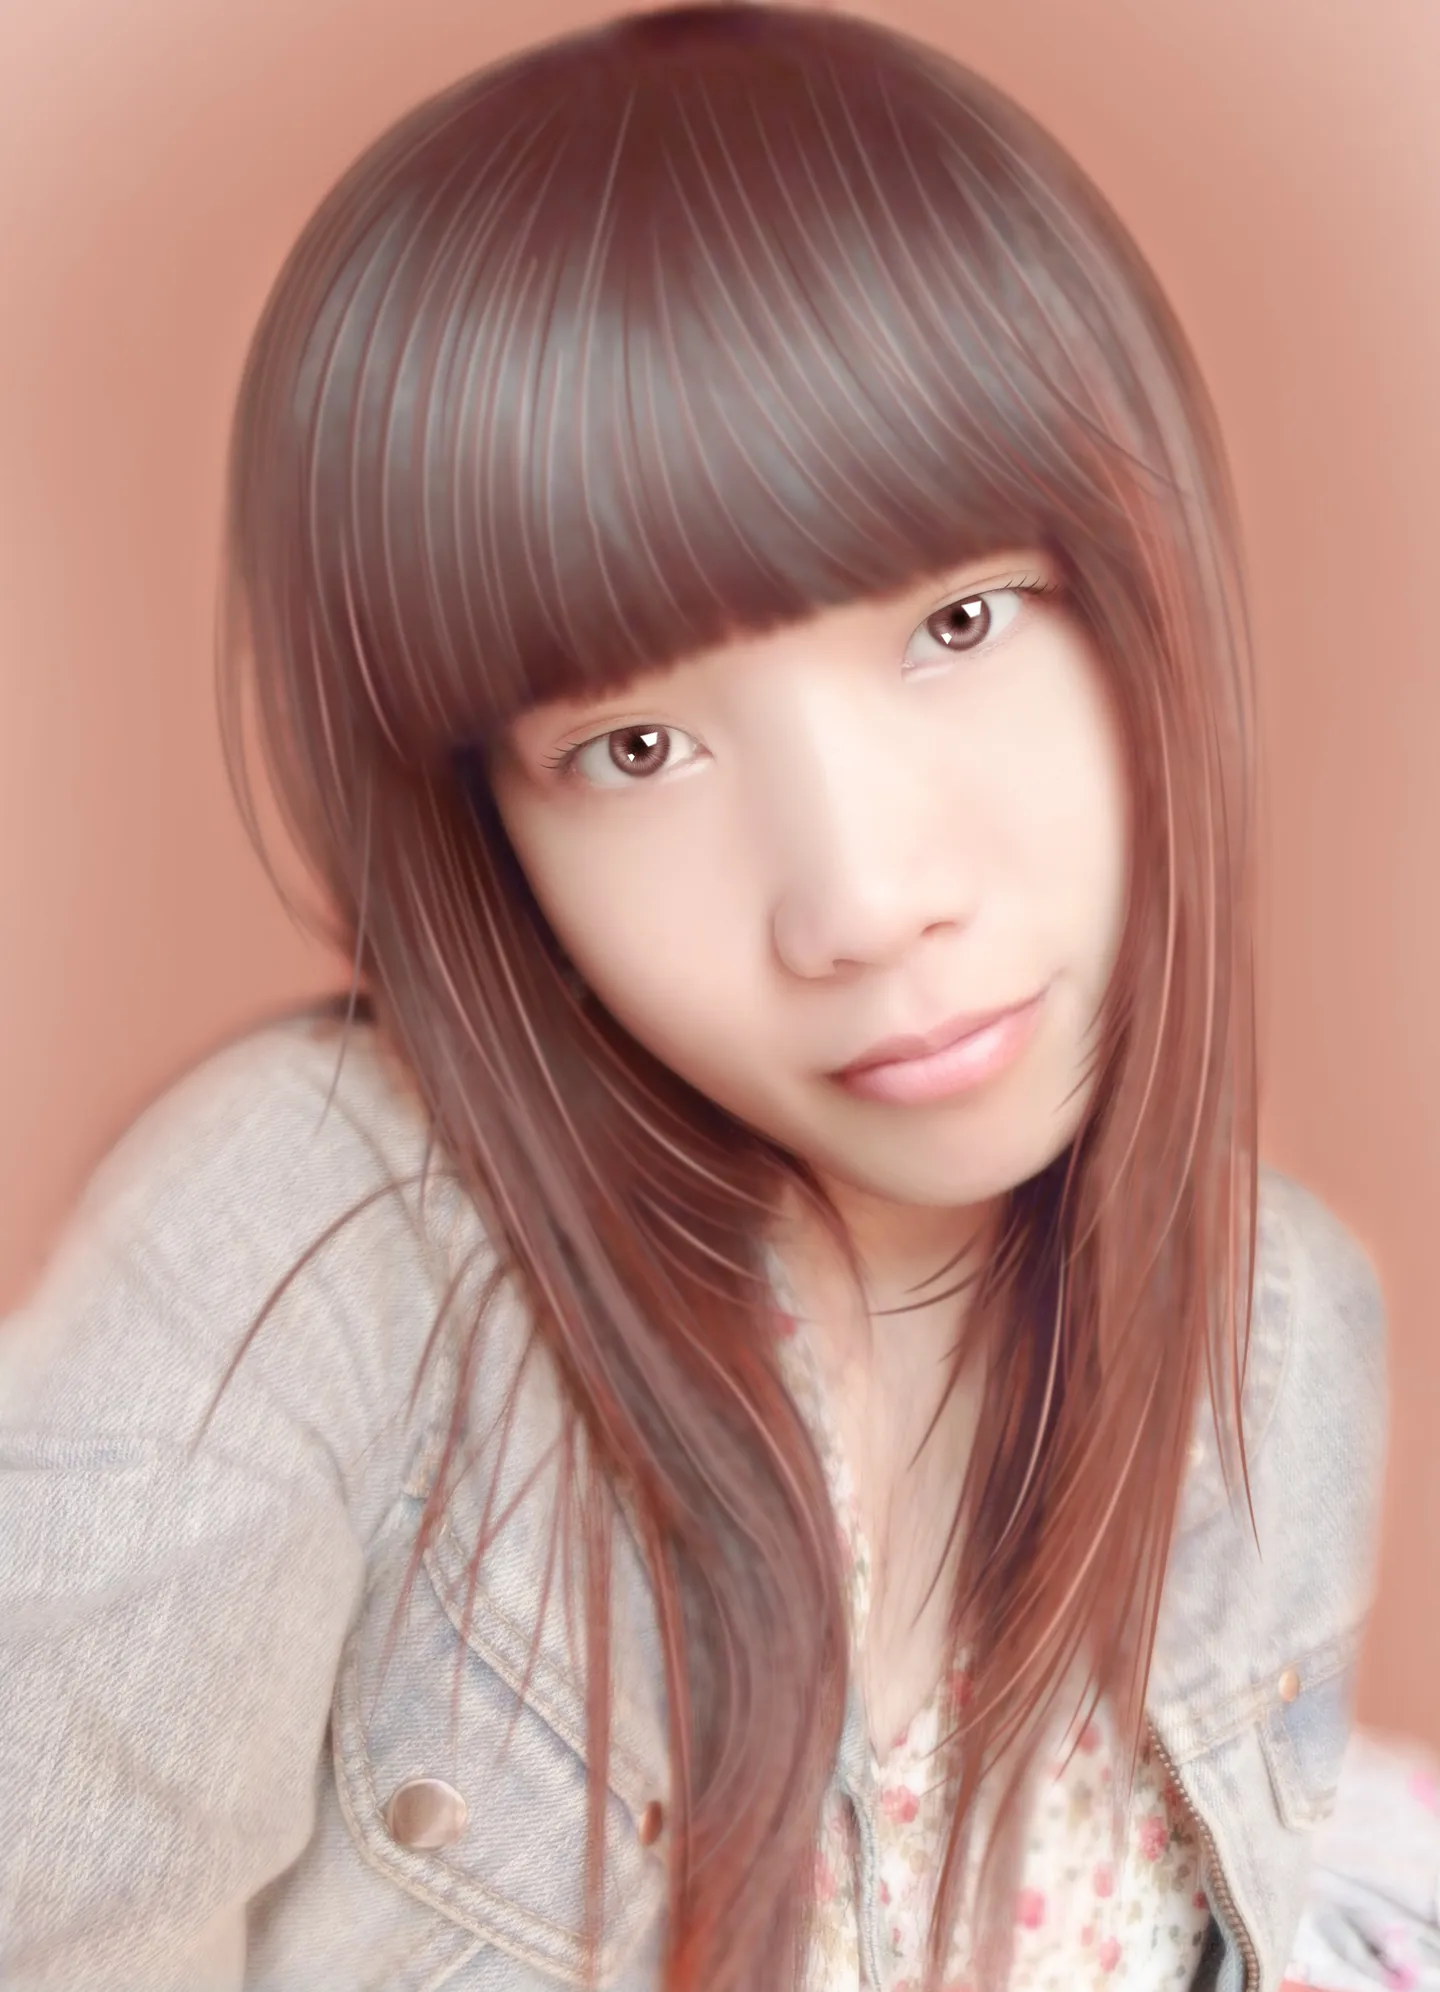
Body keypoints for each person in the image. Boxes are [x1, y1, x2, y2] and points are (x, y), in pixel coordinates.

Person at [0, 6, 1389, 1990]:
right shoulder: (304, 1264)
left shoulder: (1285, 1330)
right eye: (635, 750)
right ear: (488, 831)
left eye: (960, 622)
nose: (861, 903)